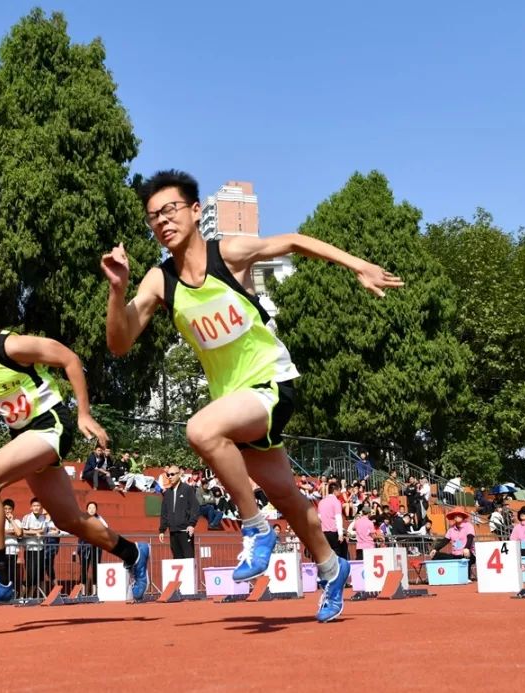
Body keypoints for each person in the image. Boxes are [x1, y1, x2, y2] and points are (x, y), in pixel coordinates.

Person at [103, 170, 401, 621]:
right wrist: (117, 289)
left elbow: (296, 241)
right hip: (235, 403)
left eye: (171, 210)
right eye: (153, 217)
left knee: (200, 430)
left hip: (272, 383)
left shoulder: (231, 254)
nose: (163, 221)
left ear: (196, 211)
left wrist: (357, 265)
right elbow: (119, 343)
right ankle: (331, 565)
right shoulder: (158, 282)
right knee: (289, 500)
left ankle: (254, 528)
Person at [0, 285, 150, 604]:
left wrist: (83, 413)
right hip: (24, 436)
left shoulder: (13, 346)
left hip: (51, 425)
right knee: (67, 519)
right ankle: (133, 553)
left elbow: (69, 359)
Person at [158, 465, 199, 559]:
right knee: (177, 558)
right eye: (168, 475)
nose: (170, 477)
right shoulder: (167, 493)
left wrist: (192, 524)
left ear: (179, 474)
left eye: (172, 474)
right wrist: (162, 530)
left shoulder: (187, 489)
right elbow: (164, 512)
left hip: (185, 531)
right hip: (173, 531)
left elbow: (195, 507)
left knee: (188, 558)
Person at [427, 509, 476, 578]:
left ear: (462, 516)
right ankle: (437, 577)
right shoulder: (451, 529)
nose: (457, 516)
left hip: (468, 554)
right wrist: (435, 549)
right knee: (436, 555)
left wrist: (467, 548)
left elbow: (470, 537)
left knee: (465, 557)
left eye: (459, 515)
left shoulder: (468, 525)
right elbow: (445, 540)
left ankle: (466, 578)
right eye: (455, 515)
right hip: (455, 555)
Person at [77, 501, 106, 594]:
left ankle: (95, 591)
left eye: (93, 508)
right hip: (84, 547)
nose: (92, 510)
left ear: (96, 510)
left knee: (96, 569)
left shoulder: (99, 518)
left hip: (96, 547)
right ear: (86, 509)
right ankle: (83, 592)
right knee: (84, 569)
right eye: (90, 508)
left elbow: (105, 528)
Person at [318, 482, 347, 560]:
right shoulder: (336, 502)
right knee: (338, 553)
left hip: (323, 532)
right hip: (333, 532)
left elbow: (319, 517)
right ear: (335, 491)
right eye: (339, 490)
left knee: (326, 555)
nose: (340, 492)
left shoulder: (321, 502)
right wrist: (340, 534)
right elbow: (338, 518)